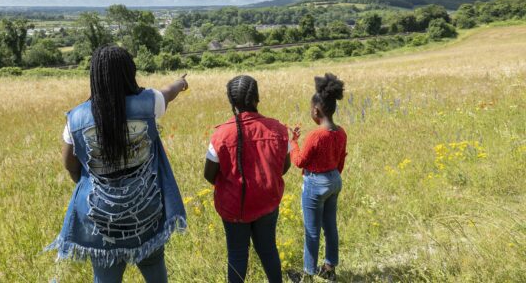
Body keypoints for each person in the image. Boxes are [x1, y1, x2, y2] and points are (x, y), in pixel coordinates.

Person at [47, 45, 188, 283]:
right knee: (154, 268)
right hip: (146, 209)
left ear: (95, 76)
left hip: (100, 214)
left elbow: (70, 165)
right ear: (129, 72)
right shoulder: (149, 102)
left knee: (105, 276)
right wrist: (180, 83)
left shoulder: (76, 119)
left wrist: (96, 185)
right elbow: (168, 92)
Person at [204, 75, 291, 283]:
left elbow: (209, 175)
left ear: (231, 102)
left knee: (237, 254)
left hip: (234, 208)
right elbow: (284, 167)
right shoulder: (278, 129)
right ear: (257, 98)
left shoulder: (221, 135)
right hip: (268, 202)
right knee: (269, 250)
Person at [289, 73, 347, 282]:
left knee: (311, 231)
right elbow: (341, 160)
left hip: (315, 184)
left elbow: (299, 162)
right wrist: (332, 177)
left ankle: (307, 274)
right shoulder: (340, 132)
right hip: (334, 181)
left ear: (316, 110)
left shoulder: (315, 135)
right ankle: (329, 267)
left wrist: (292, 143)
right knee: (330, 226)